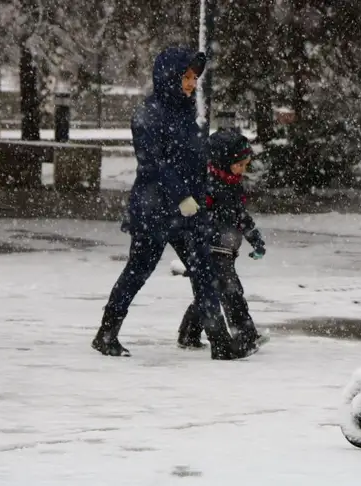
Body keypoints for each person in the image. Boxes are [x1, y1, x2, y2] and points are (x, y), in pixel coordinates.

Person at [92, 46, 248, 360]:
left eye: (194, 77)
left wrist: (202, 195)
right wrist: (182, 197)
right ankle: (106, 334)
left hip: (187, 213)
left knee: (204, 272)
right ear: (168, 76)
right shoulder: (148, 114)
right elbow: (153, 164)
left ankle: (220, 342)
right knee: (138, 271)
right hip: (155, 210)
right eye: (186, 76)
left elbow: (194, 160)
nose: (192, 83)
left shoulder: (188, 112)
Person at [176, 129, 270, 354]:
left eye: (245, 164)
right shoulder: (207, 185)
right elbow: (193, 215)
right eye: (239, 164)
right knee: (231, 291)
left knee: (210, 292)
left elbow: (240, 215)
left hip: (226, 247)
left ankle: (189, 334)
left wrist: (254, 239)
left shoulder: (232, 184)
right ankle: (245, 334)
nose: (243, 169)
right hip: (211, 247)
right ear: (223, 162)